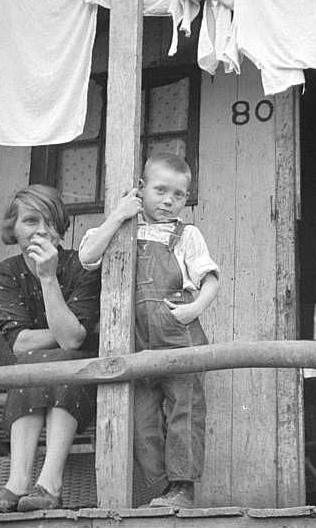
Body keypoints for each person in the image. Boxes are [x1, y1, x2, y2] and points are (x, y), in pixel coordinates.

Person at [78, 152, 219, 509]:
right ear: (141, 189)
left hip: (178, 333)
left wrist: (193, 309)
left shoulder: (187, 234)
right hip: (134, 339)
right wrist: (118, 216)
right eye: (160, 190)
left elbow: (210, 278)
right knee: (141, 421)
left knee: (184, 410)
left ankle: (182, 488)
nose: (169, 201)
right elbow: (87, 257)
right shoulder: (122, 228)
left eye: (179, 195)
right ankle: (160, 491)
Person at [0, 185, 101, 513]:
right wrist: (61, 333)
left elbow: (74, 341)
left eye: (51, 222)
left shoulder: (83, 266)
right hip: (38, 373)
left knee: (57, 359)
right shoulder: (9, 270)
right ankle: (17, 485)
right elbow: (19, 343)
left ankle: (49, 485)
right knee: (31, 362)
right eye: (31, 221)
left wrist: (48, 278)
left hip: (83, 374)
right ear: (12, 229)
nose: (42, 230)